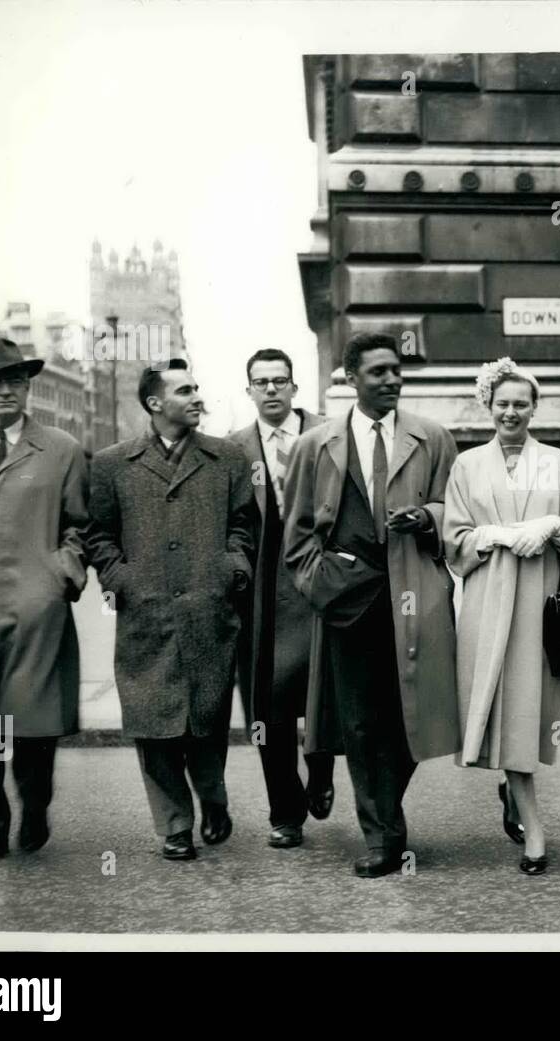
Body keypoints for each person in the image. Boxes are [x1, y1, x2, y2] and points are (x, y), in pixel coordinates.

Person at [281, 332, 460, 878]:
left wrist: (426, 517)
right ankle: (383, 836)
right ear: (350, 377)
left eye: (396, 370)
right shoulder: (317, 445)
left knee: (412, 716)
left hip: (415, 596)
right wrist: (322, 584)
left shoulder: (432, 438)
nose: (391, 380)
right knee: (358, 723)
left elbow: (457, 510)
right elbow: (298, 535)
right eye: (378, 372)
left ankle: (386, 807)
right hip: (346, 603)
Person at [86, 359, 255, 861]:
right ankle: (175, 824)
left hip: (208, 612)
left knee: (206, 719)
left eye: (199, 388)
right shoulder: (113, 463)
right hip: (146, 616)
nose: (198, 397)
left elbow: (242, 524)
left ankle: (212, 797)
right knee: (153, 727)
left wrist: (233, 568)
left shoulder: (227, 458)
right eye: (185, 391)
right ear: (155, 404)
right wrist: (120, 578)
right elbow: (99, 534)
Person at [442, 358, 560, 875]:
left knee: (529, 711)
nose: (511, 412)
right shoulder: (466, 466)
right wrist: (497, 535)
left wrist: (556, 527)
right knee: (495, 706)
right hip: (488, 602)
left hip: (540, 604)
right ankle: (531, 824)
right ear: (487, 405)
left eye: (521, 403)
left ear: (535, 407)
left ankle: (519, 800)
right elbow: (455, 540)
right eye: (502, 403)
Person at [0, 339, 90, 864]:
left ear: (27, 388)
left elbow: (80, 525)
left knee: (33, 719)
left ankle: (35, 803)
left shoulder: (62, 449)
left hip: (37, 603)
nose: (6, 391)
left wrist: (61, 575)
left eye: (16, 382)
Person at [228, 348, 335, 848]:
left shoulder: (331, 432)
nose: (271, 390)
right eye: (260, 382)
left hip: (322, 585)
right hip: (265, 594)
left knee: (322, 693)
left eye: (279, 381)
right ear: (248, 390)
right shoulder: (234, 449)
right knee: (268, 707)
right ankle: (284, 813)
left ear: (295, 387)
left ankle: (320, 771)